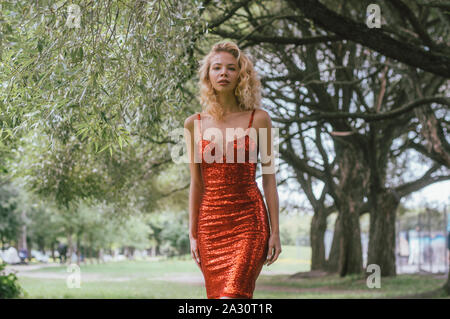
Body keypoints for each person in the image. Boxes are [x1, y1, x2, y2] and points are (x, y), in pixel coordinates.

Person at [184, 41, 281, 299]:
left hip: (249, 222)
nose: (223, 73)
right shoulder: (193, 124)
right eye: (216, 68)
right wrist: (193, 234)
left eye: (231, 68)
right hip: (210, 226)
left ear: (242, 75)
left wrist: (275, 232)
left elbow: (269, 179)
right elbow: (197, 182)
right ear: (208, 76)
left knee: (232, 297)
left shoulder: (259, 119)